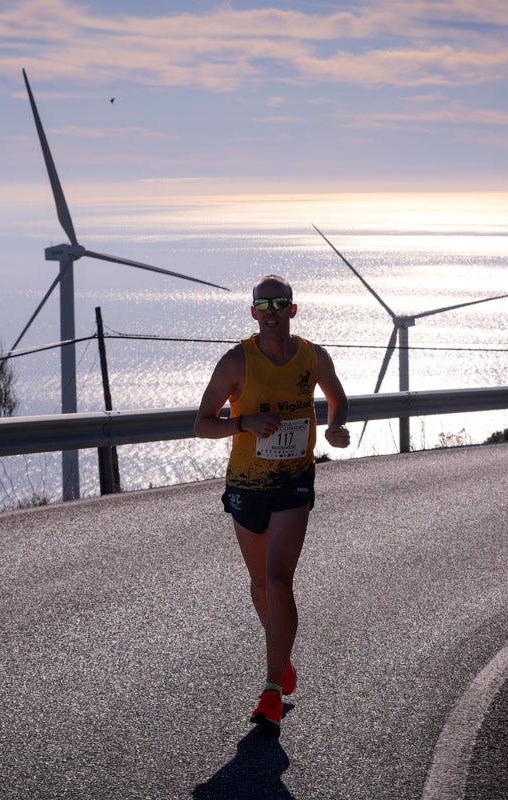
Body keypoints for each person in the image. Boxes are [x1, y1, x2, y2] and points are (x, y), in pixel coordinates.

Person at [194, 274, 350, 730]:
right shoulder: (235, 362)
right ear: (253, 312)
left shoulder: (312, 356)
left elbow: (337, 400)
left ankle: (271, 692)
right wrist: (244, 422)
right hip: (246, 484)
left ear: (293, 310)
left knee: (279, 580)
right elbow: (202, 424)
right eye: (264, 304)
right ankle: (282, 660)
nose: (272, 310)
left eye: (280, 303)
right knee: (260, 584)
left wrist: (337, 428)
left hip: (294, 482)